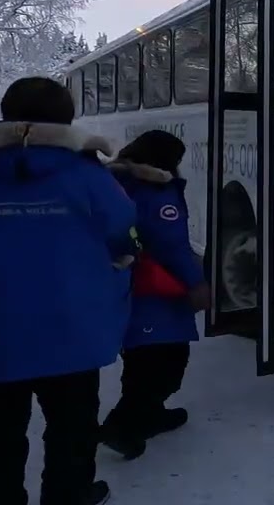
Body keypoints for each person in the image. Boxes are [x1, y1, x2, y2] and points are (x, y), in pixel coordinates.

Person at [0, 77, 136, 505]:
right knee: (72, 427)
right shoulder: (86, 172)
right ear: (67, 118)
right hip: (71, 328)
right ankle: (70, 496)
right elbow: (121, 224)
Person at [99, 129, 209, 460]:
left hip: (125, 286)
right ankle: (122, 426)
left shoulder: (117, 183)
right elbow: (172, 246)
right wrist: (197, 283)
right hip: (156, 293)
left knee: (141, 359)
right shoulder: (157, 193)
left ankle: (151, 415)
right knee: (163, 364)